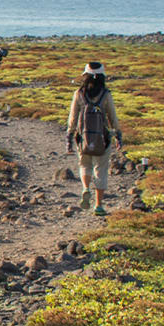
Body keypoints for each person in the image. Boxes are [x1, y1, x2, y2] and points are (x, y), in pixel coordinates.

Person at [66, 62, 123, 215]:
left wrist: (69, 136)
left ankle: (85, 188)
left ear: (85, 75)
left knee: (85, 165)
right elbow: (112, 117)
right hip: (102, 138)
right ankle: (98, 205)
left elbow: (73, 118)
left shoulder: (79, 93)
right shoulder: (106, 94)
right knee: (101, 170)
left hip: (82, 137)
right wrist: (117, 134)